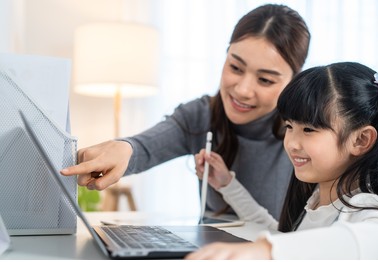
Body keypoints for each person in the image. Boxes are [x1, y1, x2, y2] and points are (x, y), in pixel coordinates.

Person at [61, 4, 310, 219]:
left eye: (265, 80)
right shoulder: (201, 116)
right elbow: (145, 147)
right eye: (235, 67)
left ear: (293, 81)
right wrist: (125, 148)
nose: (243, 90)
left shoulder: (309, 134)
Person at [186, 62, 378, 260]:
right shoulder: (318, 198)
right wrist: (227, 185)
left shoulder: (365, 207)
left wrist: (266, 251)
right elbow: (282, 237)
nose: (291, 143)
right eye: (289, 126)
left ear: (361, 140)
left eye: (308, 130)